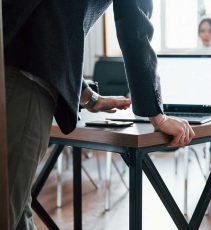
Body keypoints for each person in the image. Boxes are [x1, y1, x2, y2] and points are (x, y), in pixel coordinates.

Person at [3, 0, 195, 229]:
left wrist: (87, 96)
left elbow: (46, 23)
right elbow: (135, 28)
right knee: (8, 206)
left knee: (16, 203)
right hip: (20, 73)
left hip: (18, 63)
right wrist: (158, 117)